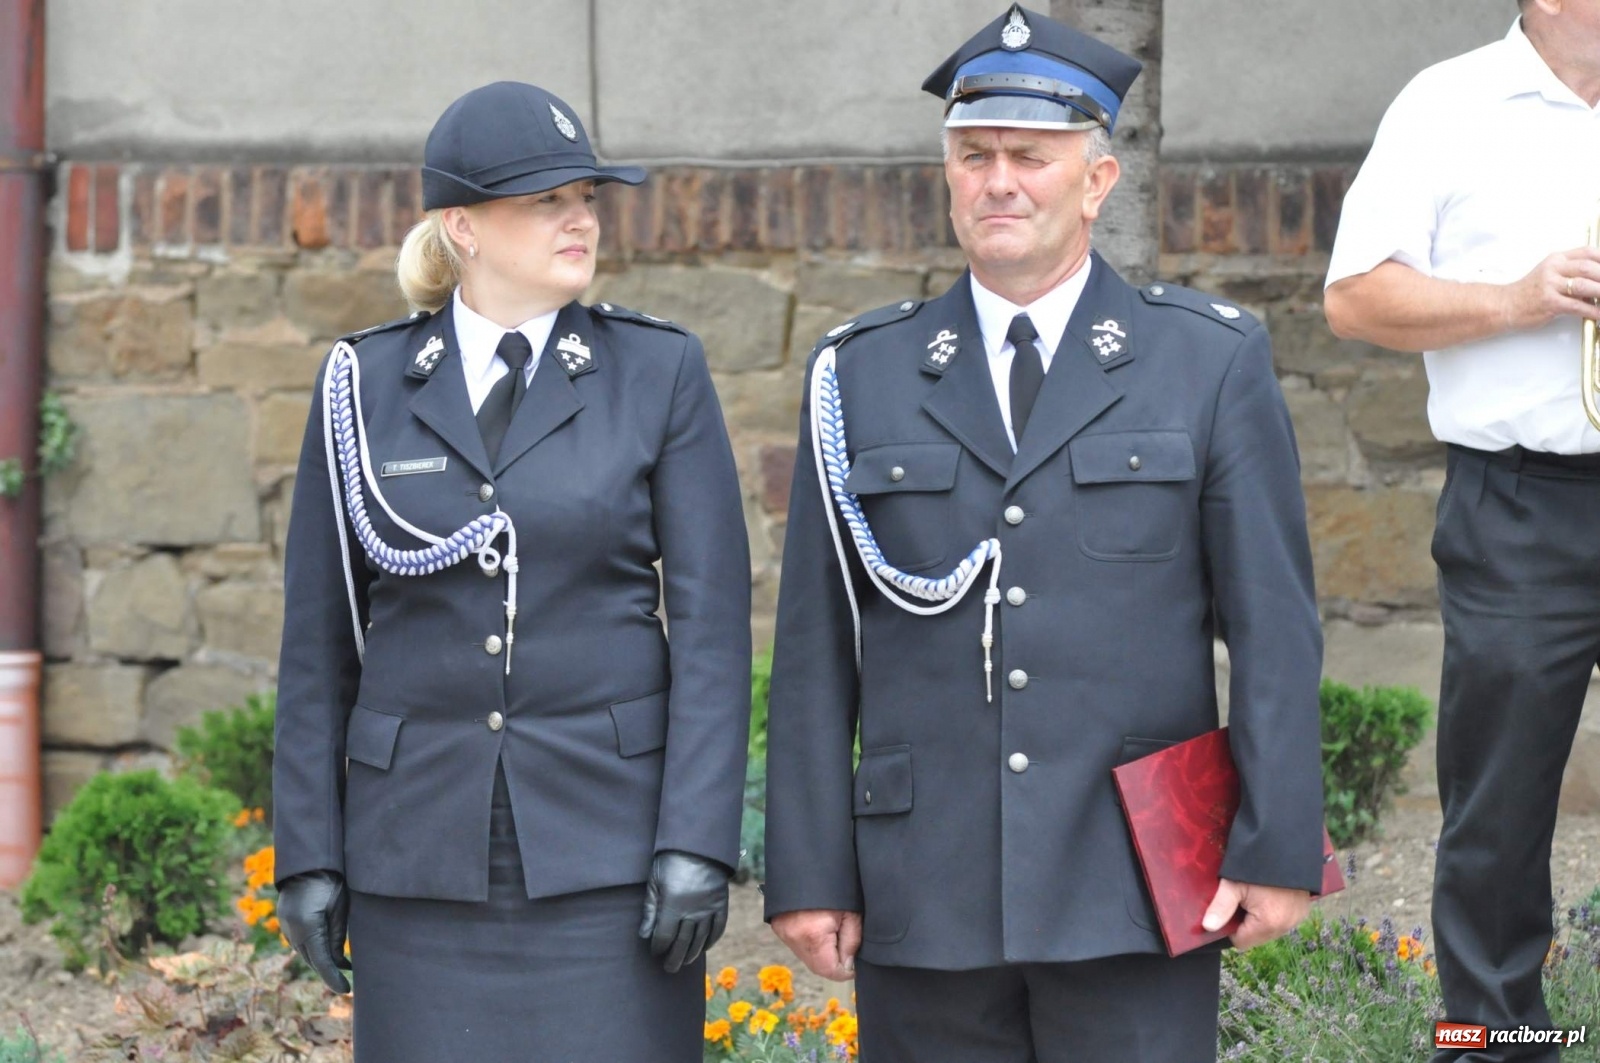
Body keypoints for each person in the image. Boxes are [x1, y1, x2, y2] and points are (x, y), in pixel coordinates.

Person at [761, 6, 1326, 1061]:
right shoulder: (861, 373)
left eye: (1030, 154)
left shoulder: (1202, 360)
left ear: (1097, 182)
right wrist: (808, 868)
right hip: (924, 880)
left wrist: (1278, 842)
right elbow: (812, 647)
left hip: (1133, 872)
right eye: (973, 156)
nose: (999, 181)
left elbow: (1272, 627)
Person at [270, 81, 751, 1063]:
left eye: (586, 195)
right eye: (543, 200)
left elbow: (712, 628)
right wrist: (308, 853)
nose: (579, 218)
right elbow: (318, 639)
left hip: (606, 855)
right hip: (418, 854)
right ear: (462, 226)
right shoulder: (363, 385)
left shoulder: (656, 373)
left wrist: (698, 839)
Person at [1324, 2, 1600, 1058]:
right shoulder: (1446, 103)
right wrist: (1518, 296)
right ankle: (1495, 1043)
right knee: (1497, 810)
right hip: (1519, 504)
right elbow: (1353, 300)